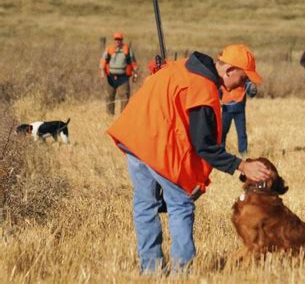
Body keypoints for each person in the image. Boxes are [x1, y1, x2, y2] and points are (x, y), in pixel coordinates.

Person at [107, 44, 271, 273]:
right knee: (181, 204)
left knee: (146, 206)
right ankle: (181, 271)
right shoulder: (203, 89)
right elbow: (204, 146)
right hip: (155, 144)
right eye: (243, 79)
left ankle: (151, 270)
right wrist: (242, 165)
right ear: (230, 70)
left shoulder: (182, 65)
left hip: (135, 137)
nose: (243, 85)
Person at [99, 32, 139, 115]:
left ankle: (123, 116)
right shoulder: (109, 49)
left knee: (124, 97)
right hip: (111, 76)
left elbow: (133, 63)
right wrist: (102, 71)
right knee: (109, 96)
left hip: (123, 78)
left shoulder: (127, 49)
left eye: (119, 39)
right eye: (116, 39)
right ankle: (109, 115)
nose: (118, 41)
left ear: (122, 40)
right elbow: (103, 60)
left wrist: (135, 73)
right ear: (114, 40)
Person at [220, 79, 259, 157]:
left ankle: (243, 153)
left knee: (241, 133)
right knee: (222, 132)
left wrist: (252, 89)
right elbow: (218, 89)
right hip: (226, 109)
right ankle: (221, 152)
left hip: (239, 109)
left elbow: (250, 89)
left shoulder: (242, 75)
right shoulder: (223, 75)